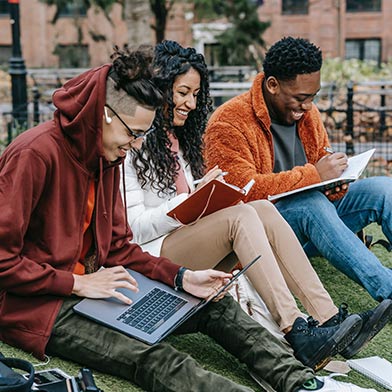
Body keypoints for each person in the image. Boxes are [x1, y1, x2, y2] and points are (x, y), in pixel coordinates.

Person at [0, 44, 375, 392]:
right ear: (105, 115)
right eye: (133, 134)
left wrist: (183, 276)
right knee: (151, 357)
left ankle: (303, 383)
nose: (135, 146)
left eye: (142, 137)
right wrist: (76, 284)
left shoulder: (107, 154)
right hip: (43, 306)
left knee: (213, 304)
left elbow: (118, 247)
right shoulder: (33, 154)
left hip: (105, 284)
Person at [122, 39, 385, 374]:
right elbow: (132, 229)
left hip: (187, 240)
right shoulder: (131, 143)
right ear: (159, 90)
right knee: (246, 213)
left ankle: (326, 318)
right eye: (182, 92)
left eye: (195, 94)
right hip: (153, 256)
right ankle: (295, 329)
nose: (190, 103)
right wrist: (188, 202)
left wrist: (205, 195)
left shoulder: (181, 140)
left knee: (261, 209)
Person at [204, 36, 392, 359]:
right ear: (273, 85)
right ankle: (386, 287)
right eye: (301, 97)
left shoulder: (307, 113)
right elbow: (240, 193)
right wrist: (315, 176)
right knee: (310, 203)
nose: (307, 106)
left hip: (316, 218)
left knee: (384, 189)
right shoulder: (228, 122)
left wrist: (336, 182)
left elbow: (322, 162)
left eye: (313, 97)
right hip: (267, 237)